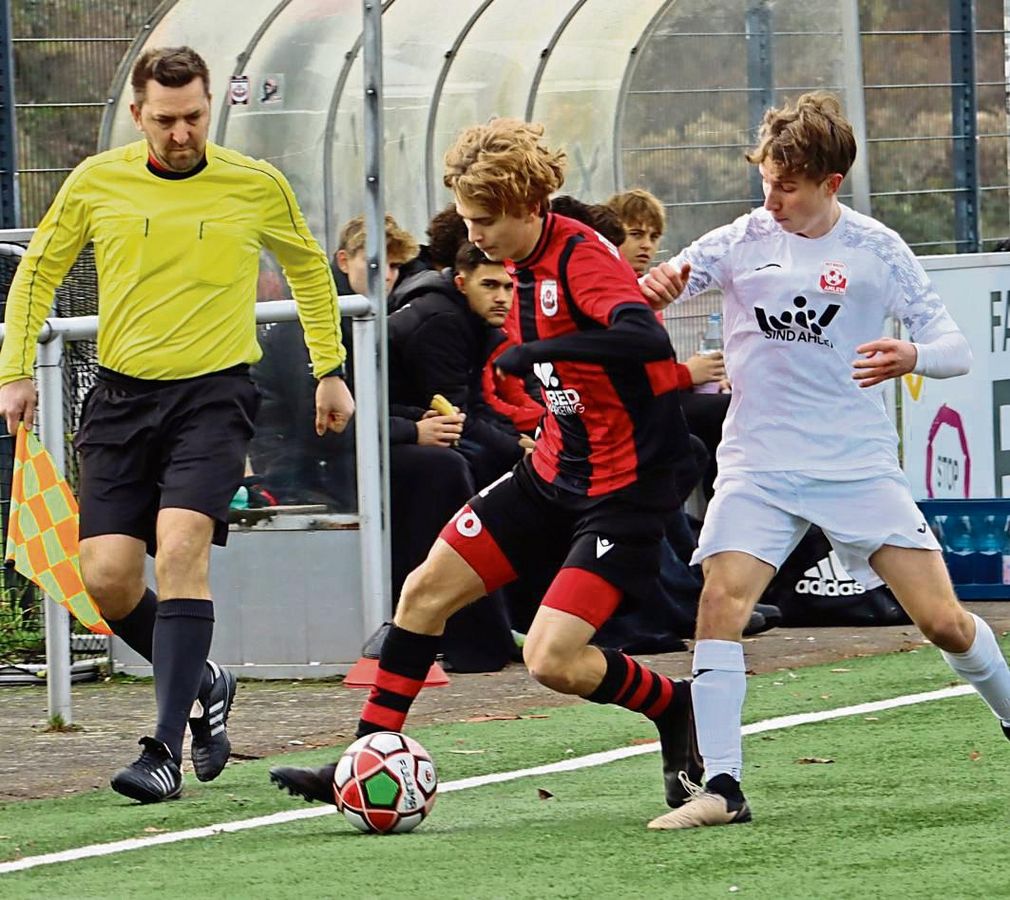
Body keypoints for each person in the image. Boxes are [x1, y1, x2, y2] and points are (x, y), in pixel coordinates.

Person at [270, 117, 705, 820]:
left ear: (530, 207)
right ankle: (362, 758)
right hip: (555, 473)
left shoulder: (580, 258)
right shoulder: (519, 261)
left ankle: (675, 705)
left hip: (624, 488)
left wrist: (534, 357)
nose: (472, 236)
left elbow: (641, 336)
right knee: (424, 593)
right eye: (468, 220)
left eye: (483, 221)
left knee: (551, 659)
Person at [640, 91, 1010, 830]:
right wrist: (651, 291)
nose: (771, 197)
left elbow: (955, 347)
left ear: (828, 184)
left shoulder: (876, 249)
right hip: (758, 464)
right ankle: (722, 787)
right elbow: (661, 286)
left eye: (787, 184)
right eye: (766, 179)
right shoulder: (738, 239)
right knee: (720, 604)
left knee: (942, 622)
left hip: (855, 465)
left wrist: (912, 354)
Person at [0, 46, 353, 804]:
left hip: (214, 397)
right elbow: (38, 271)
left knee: (181, 546)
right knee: (106, 578)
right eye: (165, 120)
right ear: (137, 115)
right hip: (121, 400)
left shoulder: (255, 185)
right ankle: (204, 682)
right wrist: (15, 368)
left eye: (194, 116)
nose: (182, 132)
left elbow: (308, 268)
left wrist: (330, 367)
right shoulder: (97, 182)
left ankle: (161, 749)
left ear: (209, 110)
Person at [607, 187, 729, 497]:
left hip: (657, 402)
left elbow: (653, 367)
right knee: (727, 415)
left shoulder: (642, 291)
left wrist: (705, 377)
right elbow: (627, 377)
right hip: (629, 414)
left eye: (653, 236)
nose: (646, 245)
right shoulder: (611, 295)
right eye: (636, 234)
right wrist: (688, 374)